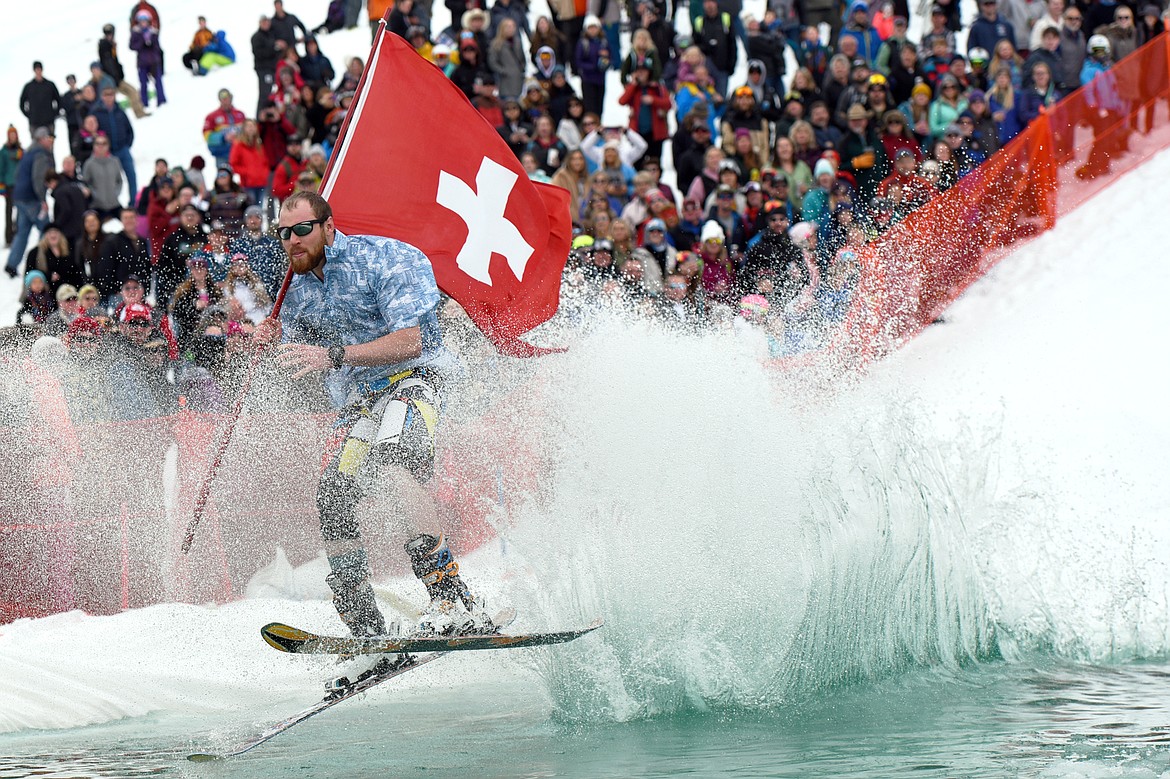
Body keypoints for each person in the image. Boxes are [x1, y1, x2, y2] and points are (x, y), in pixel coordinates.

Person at [257, 190, 495, 687]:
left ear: (328, 226)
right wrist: (264, 343)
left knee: (394, 460)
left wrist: (333, 357)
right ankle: (366, 630)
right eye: (283, 233)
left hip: (416, 377)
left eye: (302, 229)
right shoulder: (295, 288)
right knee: (333, 498)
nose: (292, 241)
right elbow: (296, 355)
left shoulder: (386, 257)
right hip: (360, 400)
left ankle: (453, 599)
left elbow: (410, 340)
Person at [5, 127, 55, 279]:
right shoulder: (40, 154)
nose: (50, 141)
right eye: (48, 138)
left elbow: (17, 174)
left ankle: (11, 265)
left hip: (19, 198)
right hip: (31, 199)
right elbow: (38, 178)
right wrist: (42, 199)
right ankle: (40, 263)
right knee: (46, 229)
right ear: (40, 139)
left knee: (22, 232)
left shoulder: (28, 153)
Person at [90, 87, 138, 208]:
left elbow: (129, 130)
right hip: (108, 153)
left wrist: (127, 144)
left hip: (123, 149)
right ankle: (110, 206)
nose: (109, 97)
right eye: (106, 94)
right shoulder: (96, 112)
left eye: (111, 94)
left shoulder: (120, 111)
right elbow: (91, 129)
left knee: (131, 175)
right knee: (111, 180)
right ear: (102, 96)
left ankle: (133, 203)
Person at [97, 24, 150, 119]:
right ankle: (138, 114)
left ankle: (139, 113)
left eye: (110, 33)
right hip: (112, 80)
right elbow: (109, 64)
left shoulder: (110, 45)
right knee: (130, 92)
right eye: (107, 33)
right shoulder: (105, 45)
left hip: (116, 78)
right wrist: (115, 79)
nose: (109, 35)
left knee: (132, 92)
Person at [129, 10, 166, 108]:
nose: (143, 23)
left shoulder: (153, 32)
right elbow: (132, 46)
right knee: (143, 84)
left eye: (145, 21)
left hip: (154, 61)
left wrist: (151, 44)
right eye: (141, 21)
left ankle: (161, 100)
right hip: (142, 62)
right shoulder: (136, 32)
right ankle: (144, 103)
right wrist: (142, 43)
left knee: (158, 81)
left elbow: (158, 48)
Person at [204, 90, 248, 169]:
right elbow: (206, 136)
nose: (225, 101)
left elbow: (248, 131)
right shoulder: (212, 117)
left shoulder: (240, 114)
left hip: (240, 152)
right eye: (222, 99)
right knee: (224, 176)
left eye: (227, 98)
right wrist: (224, 137)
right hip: (223, 154)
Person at [19, 62, 64, 137]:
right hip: (34, 122)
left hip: (49, 122)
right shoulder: (28, 87)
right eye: (36, 69)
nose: (38, 71)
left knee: (49, 146)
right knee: (36, 146)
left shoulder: (50, 85)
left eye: (39, 69)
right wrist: (29, 115)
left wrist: (54, 114)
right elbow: (21, 103)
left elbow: (59, 100)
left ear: (42, 70)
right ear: (34, 70)